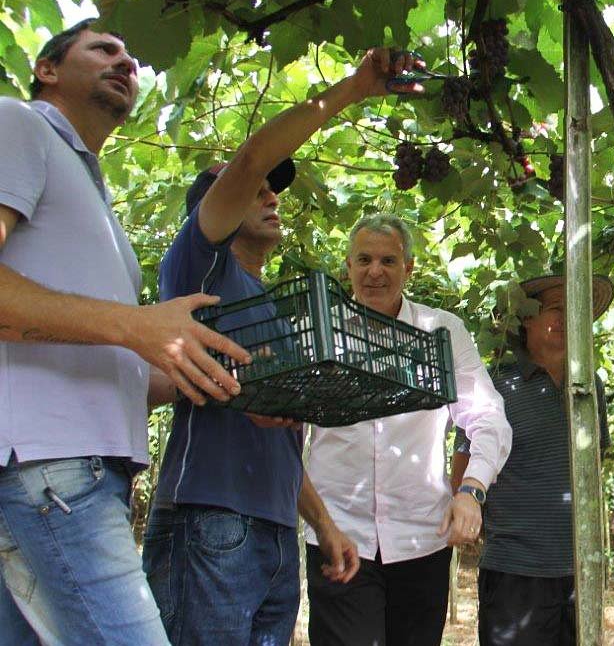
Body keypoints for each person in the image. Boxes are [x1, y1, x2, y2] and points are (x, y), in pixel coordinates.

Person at [140, 49, 425, 644]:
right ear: (211, 210)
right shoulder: (203, 266)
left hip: (271, 532)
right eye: (256, 190)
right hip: (211, 516)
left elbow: (279, 441)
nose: (271, 197)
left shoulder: (269, 305)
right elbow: (249, 160)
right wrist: (352, 89)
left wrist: (324, 523)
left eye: (276, 192)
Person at [0, 19, 250, 644]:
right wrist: (135, 325)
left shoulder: (90, 190)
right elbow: (122, 332)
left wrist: (218, 372)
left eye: (132, 57)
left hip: (75, 468)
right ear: (48, 70)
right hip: (50, 467)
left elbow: (116, 362)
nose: (125, 62)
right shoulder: (20, 124)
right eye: (103, 49)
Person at [304, 213, 513, 645]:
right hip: (339, 533)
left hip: (422, 536)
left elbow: (487, 415)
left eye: (388, 261)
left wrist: (471, 491)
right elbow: (285, 429)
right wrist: (317, 521)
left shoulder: (441, 332)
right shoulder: (320, 333)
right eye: (363, 259)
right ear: (348, 265)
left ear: (408, 269)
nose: (374, 271)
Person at [453, 273, 614, 646]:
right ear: (526, 319)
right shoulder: (496, 384)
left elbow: (593, 464)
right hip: (515, 571)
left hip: (579, 572)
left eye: (572, 310)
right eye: (554, 308)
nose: (564, 317)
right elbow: (463, 461)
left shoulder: (591, 385)